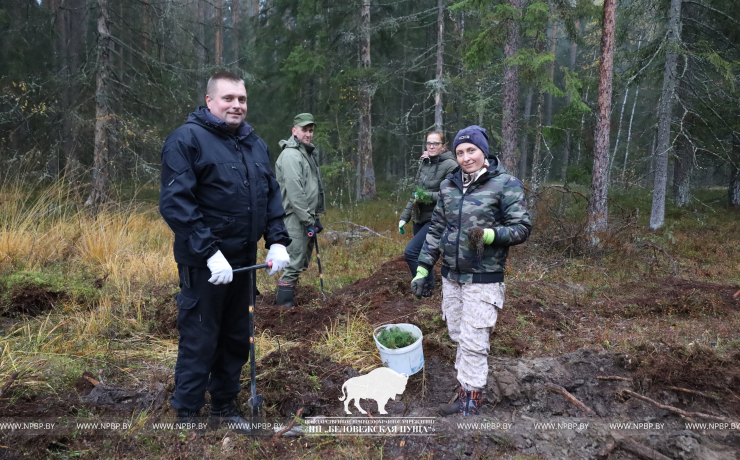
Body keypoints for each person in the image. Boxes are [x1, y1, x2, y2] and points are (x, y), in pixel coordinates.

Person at [159, 71, 291, 431]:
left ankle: (223, 408)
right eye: (228, 98)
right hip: (206, 264)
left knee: (236, 337)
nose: (237, 105)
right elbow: (176, 203)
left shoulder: (254, 144)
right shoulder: (186, 140)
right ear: (209, 101)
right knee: (201, 337)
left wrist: (277, 239)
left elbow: (270, 197)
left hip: (244, 263)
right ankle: (186, 415)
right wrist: (208, 251)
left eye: (242, 99)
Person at [411, 126, 531, 416]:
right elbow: (437, 228)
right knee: (458, 334)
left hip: (484, 277)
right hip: (452, 276)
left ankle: (470, 404)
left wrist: (491, 235)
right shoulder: (449, 186)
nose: (466, 158)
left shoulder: (505, 184)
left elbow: (522, 227)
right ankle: (465, 389)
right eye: (460, 152)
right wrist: (423, 268)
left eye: (471, 151)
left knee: (475, 341)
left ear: (484, 151)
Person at [274, 113, 326, 307]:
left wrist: (315, 217)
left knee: (301, 262)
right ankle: (283, 311)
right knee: (293, 264)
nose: (308, 134)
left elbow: (312, 188)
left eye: (311, 130)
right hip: (295, 219)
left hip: (305, 217)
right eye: (304, 130)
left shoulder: (305, 153)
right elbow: (296, 193)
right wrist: (307, 220)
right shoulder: (290, 155)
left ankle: (288, 304)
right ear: (294, 130)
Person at [398, 131, 458, 297]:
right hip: (420, 217)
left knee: (411, 252)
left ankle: (425, 290)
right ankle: (428, 290)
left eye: (436, 143)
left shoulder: (451, 166)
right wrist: (405, 216)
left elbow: (450, 195)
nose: (431, 146)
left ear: (443, 146)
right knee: (423, 256)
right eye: (429, 143)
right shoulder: (425, 162)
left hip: (436, 218)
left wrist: (426, 196)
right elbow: (416, 193)